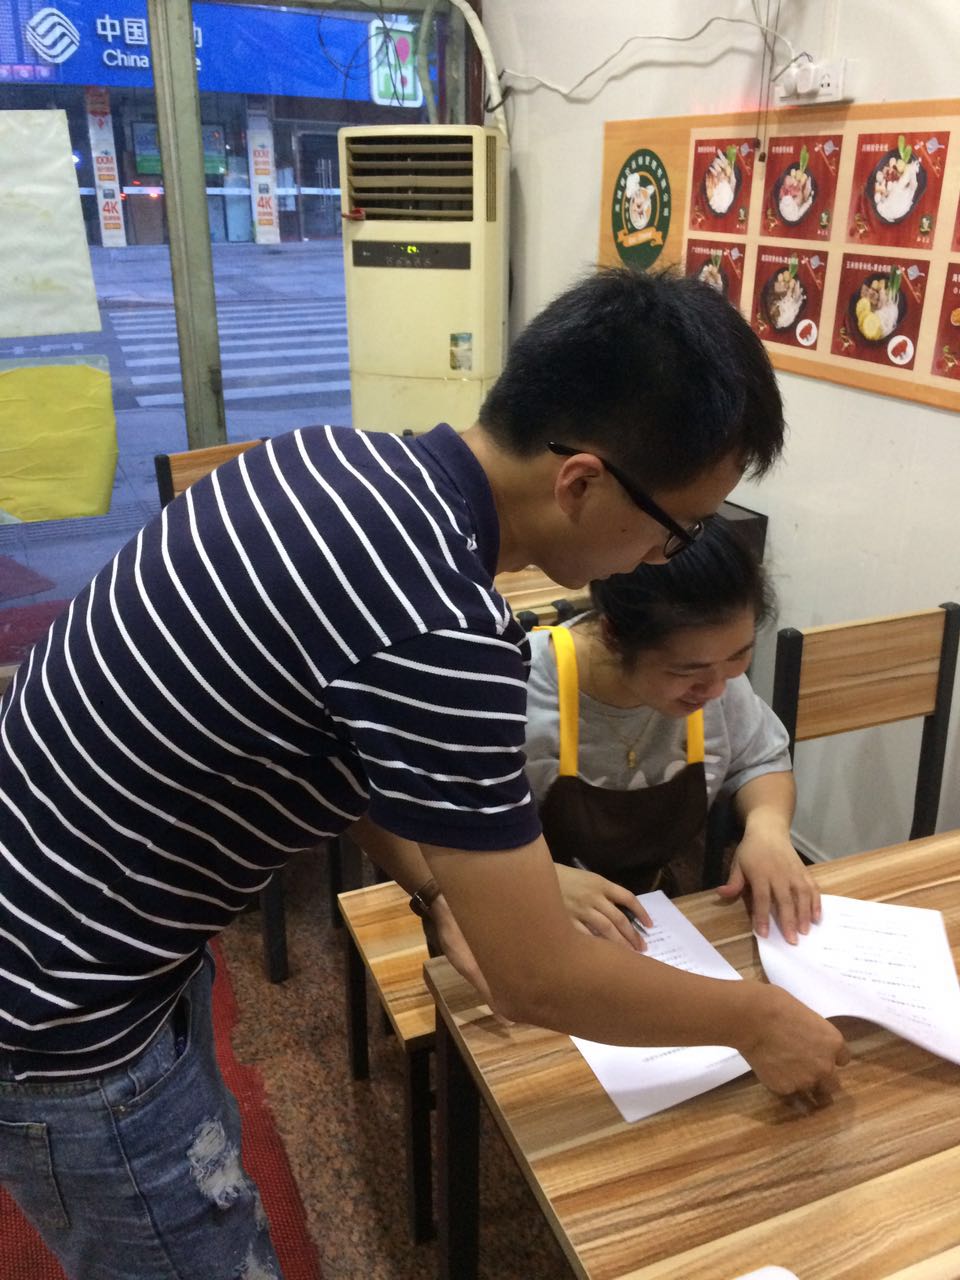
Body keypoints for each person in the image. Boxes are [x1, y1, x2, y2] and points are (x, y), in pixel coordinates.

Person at [0, 267, 848, 1278]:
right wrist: (757, 1018)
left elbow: (331, 742)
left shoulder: (333, 460)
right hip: (64, 1007)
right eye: (678, 528)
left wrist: (445, 888)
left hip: (83, 916)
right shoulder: (443, 626)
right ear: (581, 481)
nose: (669, 556)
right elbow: (535, 978)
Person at [524, 518, 815, 943]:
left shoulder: (716, 680)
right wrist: (536, 878)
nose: (716, 689)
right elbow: (447, 827)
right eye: (687, 671)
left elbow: (760, 758)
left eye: (738, 657)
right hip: (529, 919)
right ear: (613, 636)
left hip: (652, 918)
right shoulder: (520, 686)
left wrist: (767, 828)